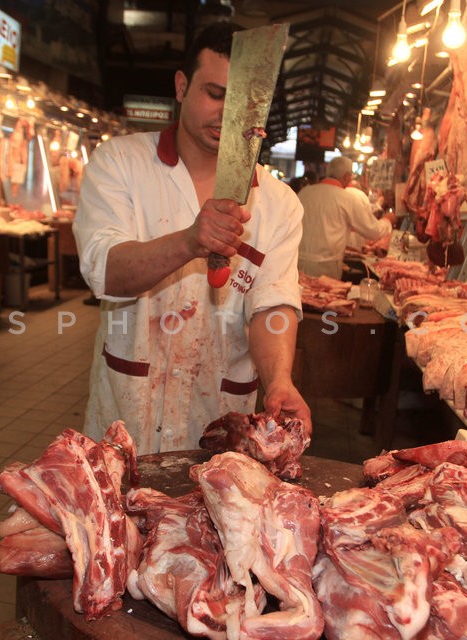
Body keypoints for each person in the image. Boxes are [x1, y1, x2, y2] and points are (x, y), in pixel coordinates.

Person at [74, 22, 311, 454]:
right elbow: (103, 268)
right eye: (215, 94)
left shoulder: (279, 203)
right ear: (182, 86)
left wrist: (279, 381)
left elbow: (272, 302)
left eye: (243, 103)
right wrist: (188, 242)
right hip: (127, 414)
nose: (227, 114)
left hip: (218, 420)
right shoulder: (120, 163)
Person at [297, 156, 393, 279]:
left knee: (300, 295)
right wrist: (388, 220)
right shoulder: (346, 198)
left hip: (298, 262)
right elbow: (373, 230)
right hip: (326, 266)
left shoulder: (305, 192)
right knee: (321, 296)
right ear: (346, 176)